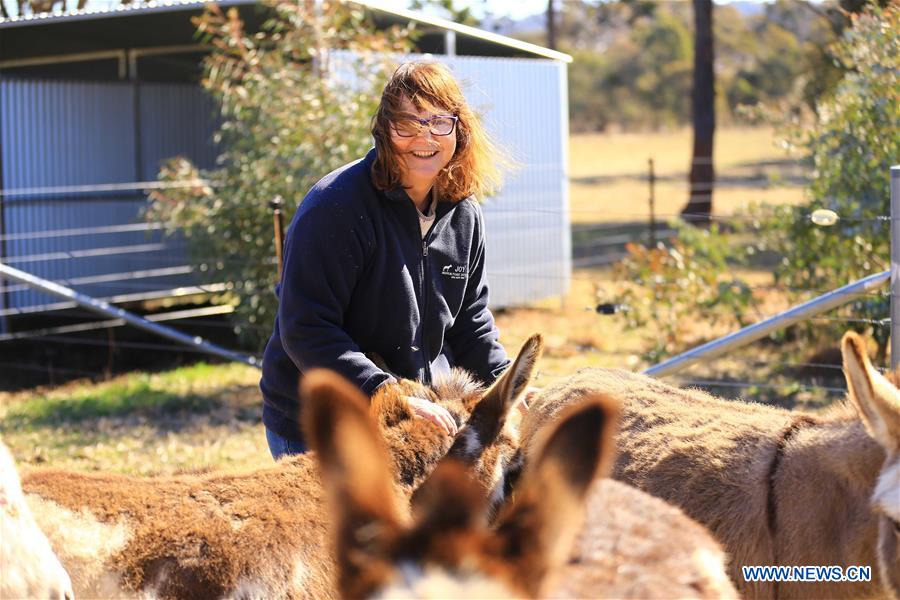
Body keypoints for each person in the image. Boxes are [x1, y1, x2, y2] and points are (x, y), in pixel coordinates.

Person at [260, 60, 512, 459]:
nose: (424, 137)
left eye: (438, 122)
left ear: (459, 130)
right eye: (407, 124)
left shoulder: (463, 213)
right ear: (384, 131)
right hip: (321, 423)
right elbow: (305, 328)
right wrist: (386, 392)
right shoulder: (337, 207)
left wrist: (508, 387)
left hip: (408, 416)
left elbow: (470, 323)